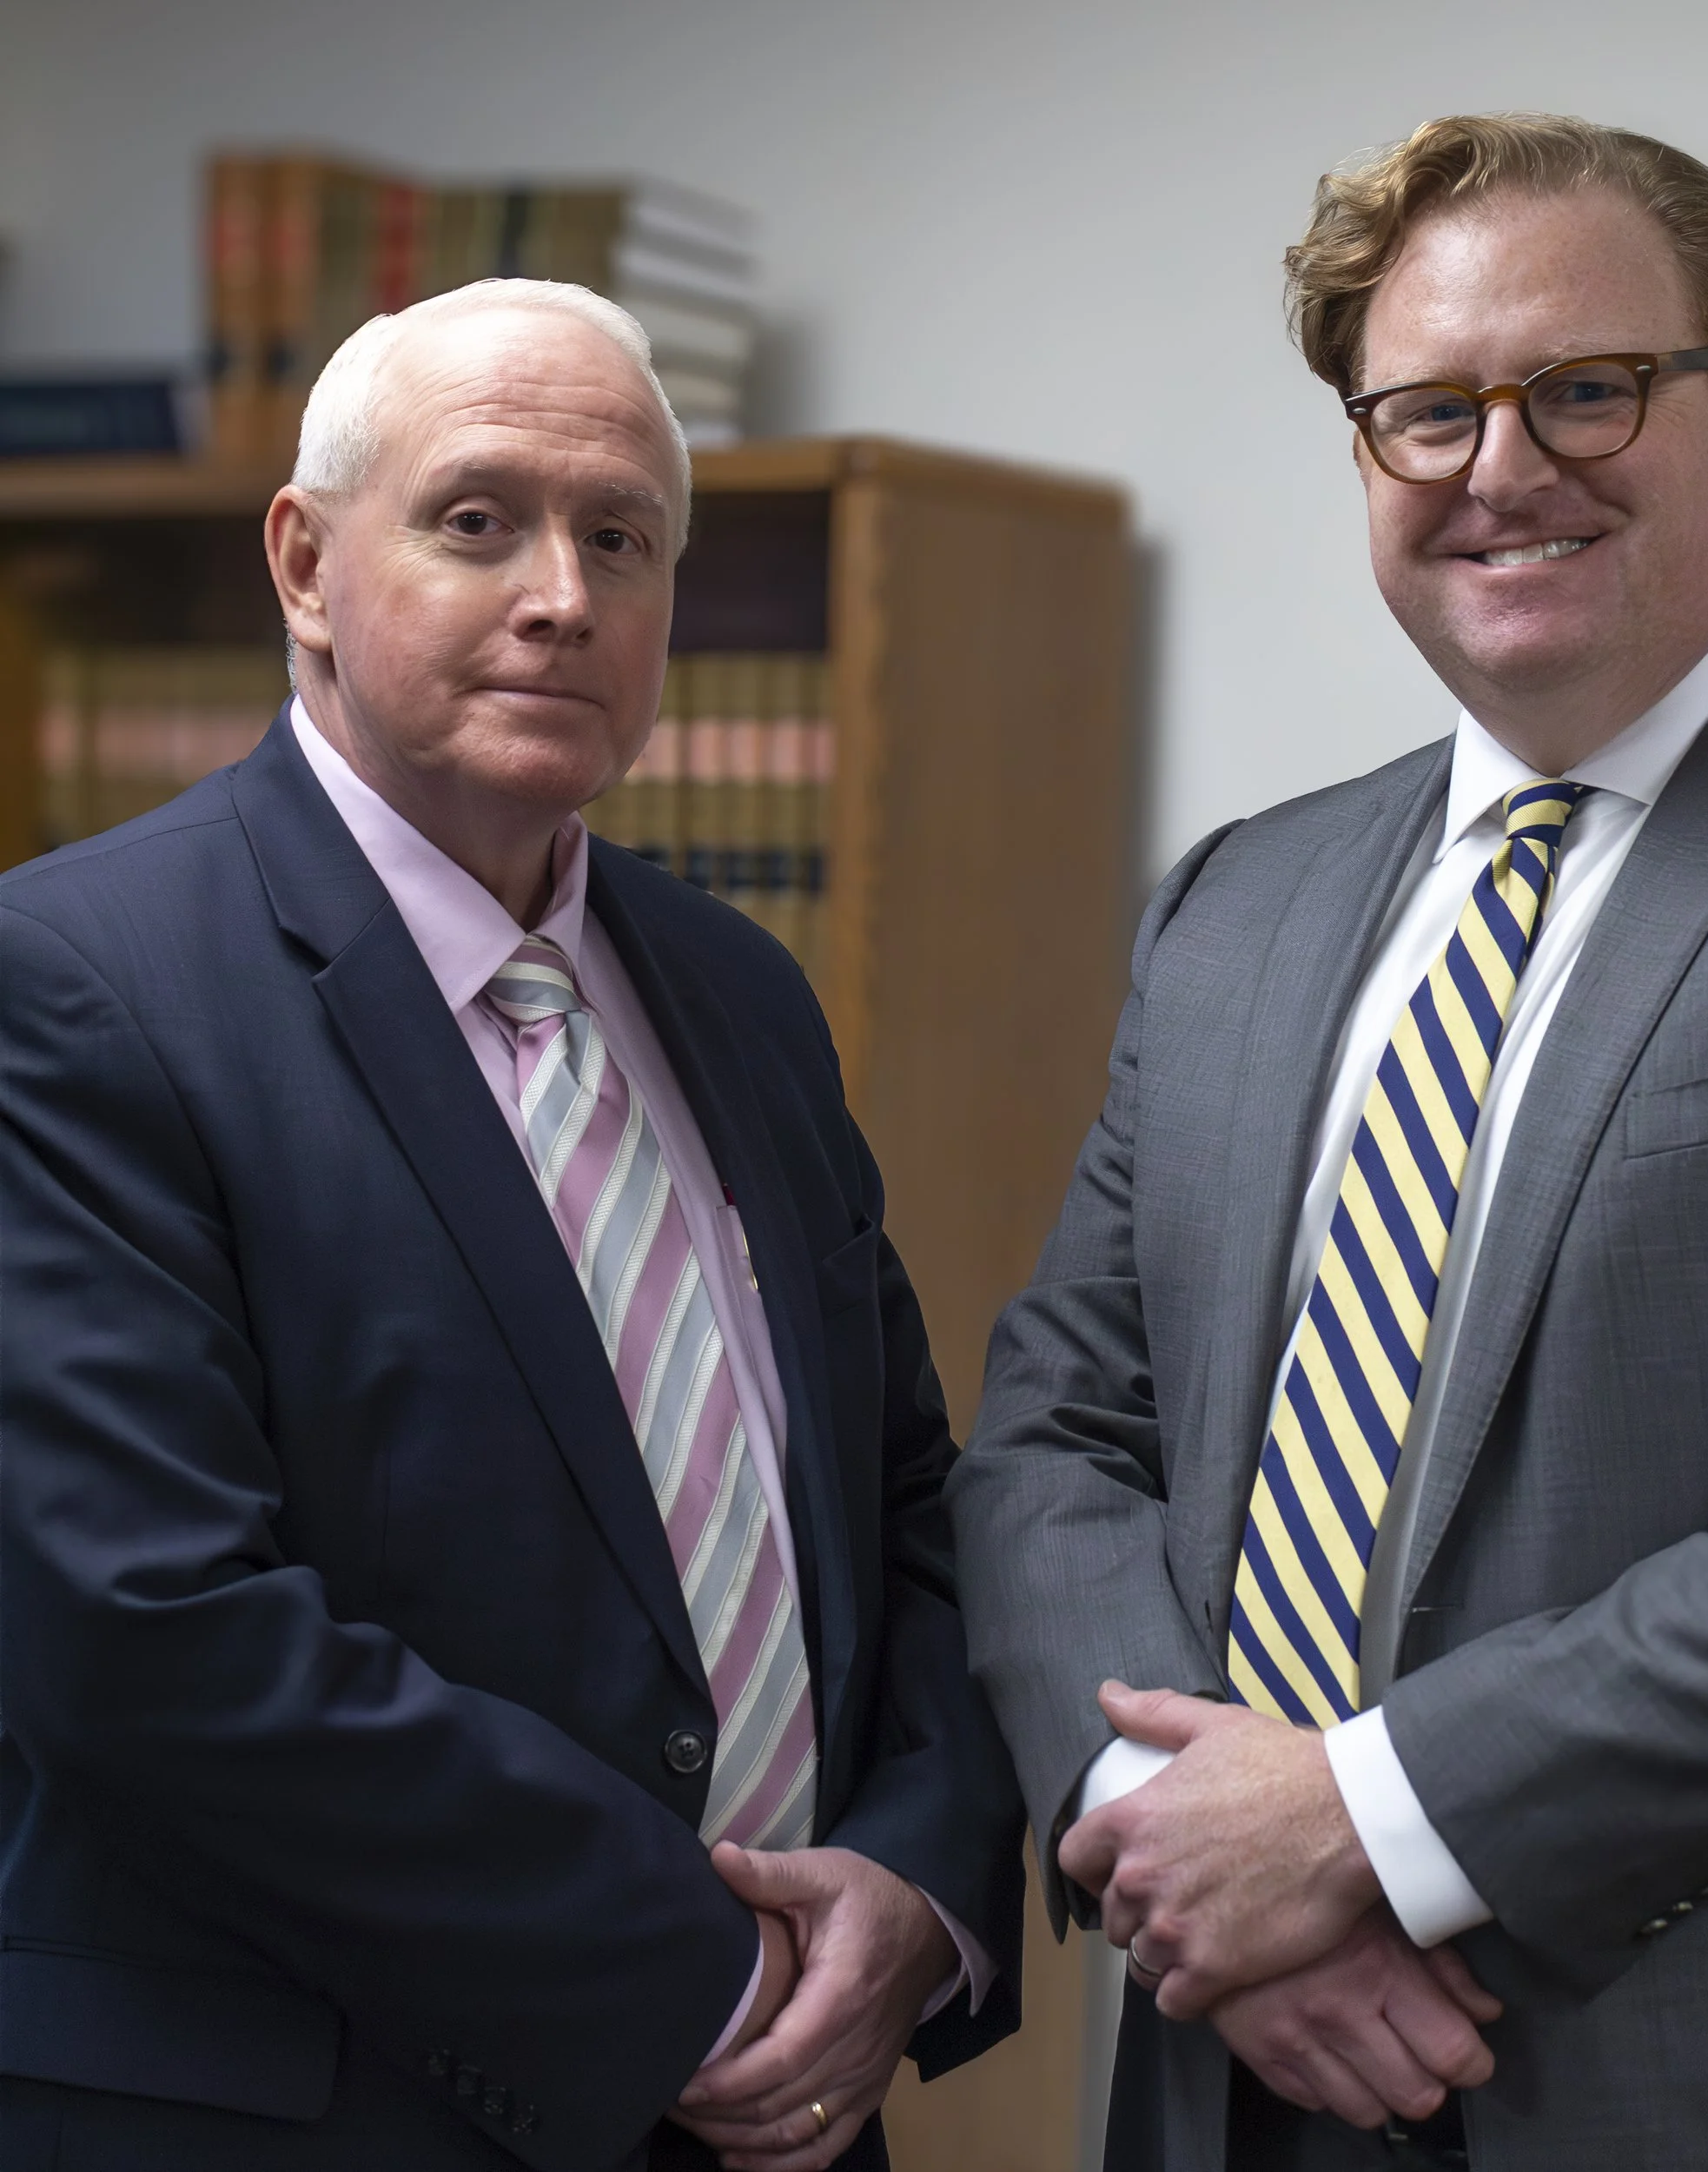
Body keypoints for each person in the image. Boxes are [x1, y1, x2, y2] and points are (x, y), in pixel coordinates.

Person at [948, 113, 1708, 2171]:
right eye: (1424, 412)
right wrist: (1202, 1857)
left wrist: (1371, 1819)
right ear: (1361, 460)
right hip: (1253, 2069)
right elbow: (1055, 1438)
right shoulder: (1235, 901)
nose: (1500, 465)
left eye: (1583, 387)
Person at [0, 279, 1023, 2172]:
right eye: (478, 520)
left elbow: (903, 1510)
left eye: (621, 537)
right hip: (328, 2112)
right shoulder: (74, 983)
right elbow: (148, 1633)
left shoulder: (741, 989)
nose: (563, 592)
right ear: (305, 564)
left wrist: (908, 1892)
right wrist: (708, 1975)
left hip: (786, 2102)